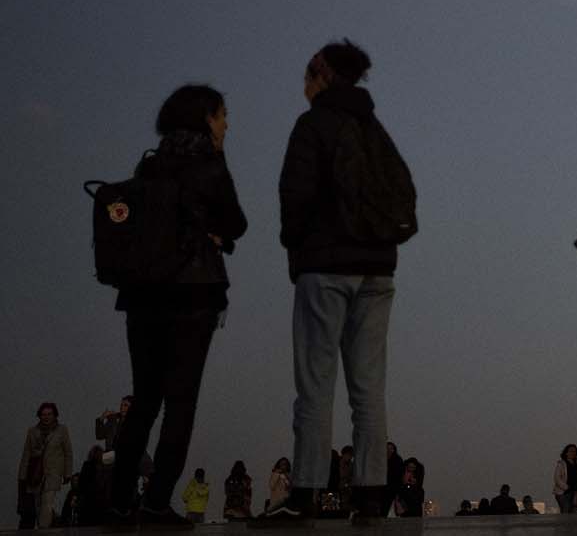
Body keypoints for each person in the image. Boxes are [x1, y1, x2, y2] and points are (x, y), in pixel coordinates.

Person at [260, 41, 411, 524]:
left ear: (322, 73)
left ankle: (303, 492)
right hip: (378, 269)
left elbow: (294, 196)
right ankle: (369, 495)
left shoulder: (312, 126)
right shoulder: (375, 130)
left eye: (308, 71)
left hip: (326, 266)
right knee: (369, 389)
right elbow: (405, 190)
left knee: (316, 384)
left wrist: (299, 248)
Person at [108, 84, 249, 527]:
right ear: (206, 118)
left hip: (143, 298)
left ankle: (118, 501)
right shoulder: (207, 165)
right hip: (193, 295)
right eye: (223, 114)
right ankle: (156, 502)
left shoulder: (149, 167)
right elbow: (236, 222)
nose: (227, 123)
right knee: (180, 402)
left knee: (145, 399)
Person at [17, 404, 74, 529]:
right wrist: (22, 476)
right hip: (35, 473)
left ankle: (44, 529)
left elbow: (68, 452)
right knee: (38, 504)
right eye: (43, 414)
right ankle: (47, 525)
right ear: (39, 415)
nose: (46, 417)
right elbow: (26, 453)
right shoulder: (32, 431)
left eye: (49, 414)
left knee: (47, 502)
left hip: (53, 473)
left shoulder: (61, 430)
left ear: (54, 415)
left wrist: (67, 473)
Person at [554, 444, 577, 514]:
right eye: (571, 451)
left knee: (574, 512)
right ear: (566, 453)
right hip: (563, 493)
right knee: (566, 511)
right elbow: (557, 478)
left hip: (576, 493)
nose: (573, 453)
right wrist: (566, 487)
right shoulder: (561, 464)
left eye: (574, 451)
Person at [384, 442, 403, 518]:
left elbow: (398, 475)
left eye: (391, 448)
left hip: (392, 488)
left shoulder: (397, 460)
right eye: (387, 448)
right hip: (382, 488)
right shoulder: (380, 459)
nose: (389, 450)